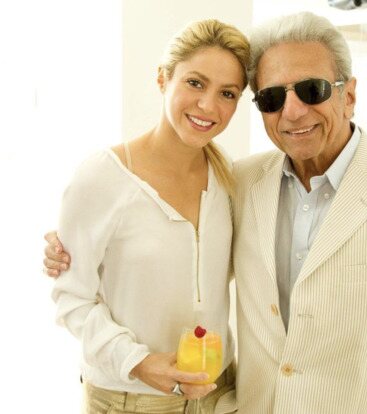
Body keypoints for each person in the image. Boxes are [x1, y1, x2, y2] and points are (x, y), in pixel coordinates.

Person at [44, 11, 367, 414]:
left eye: (312, 90)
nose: (293, 111)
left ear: (350, 95)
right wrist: (69, 251)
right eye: (272, 98)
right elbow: (120, 271)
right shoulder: (243, 181)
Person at [44, 19, 249, 414]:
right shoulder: (102, 176)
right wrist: (138, 362)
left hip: (220, 395)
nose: (209, 106)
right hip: (130, 400)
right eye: (195, 83)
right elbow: (71, 299)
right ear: (162, 78)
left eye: (227, 93)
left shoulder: (230, 180)